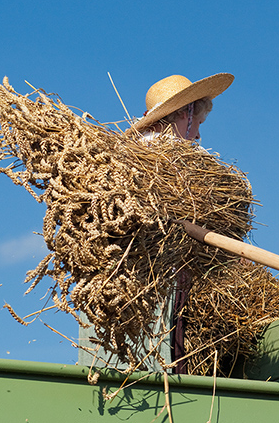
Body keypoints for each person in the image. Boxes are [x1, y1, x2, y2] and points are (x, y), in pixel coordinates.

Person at [78, 73, 234, 373]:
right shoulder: (167, 160)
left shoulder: (132, 154)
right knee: (167, 346)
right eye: (197, 124)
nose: (198, 135)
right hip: (158, 274)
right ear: (183, 115)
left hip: (130, 276)